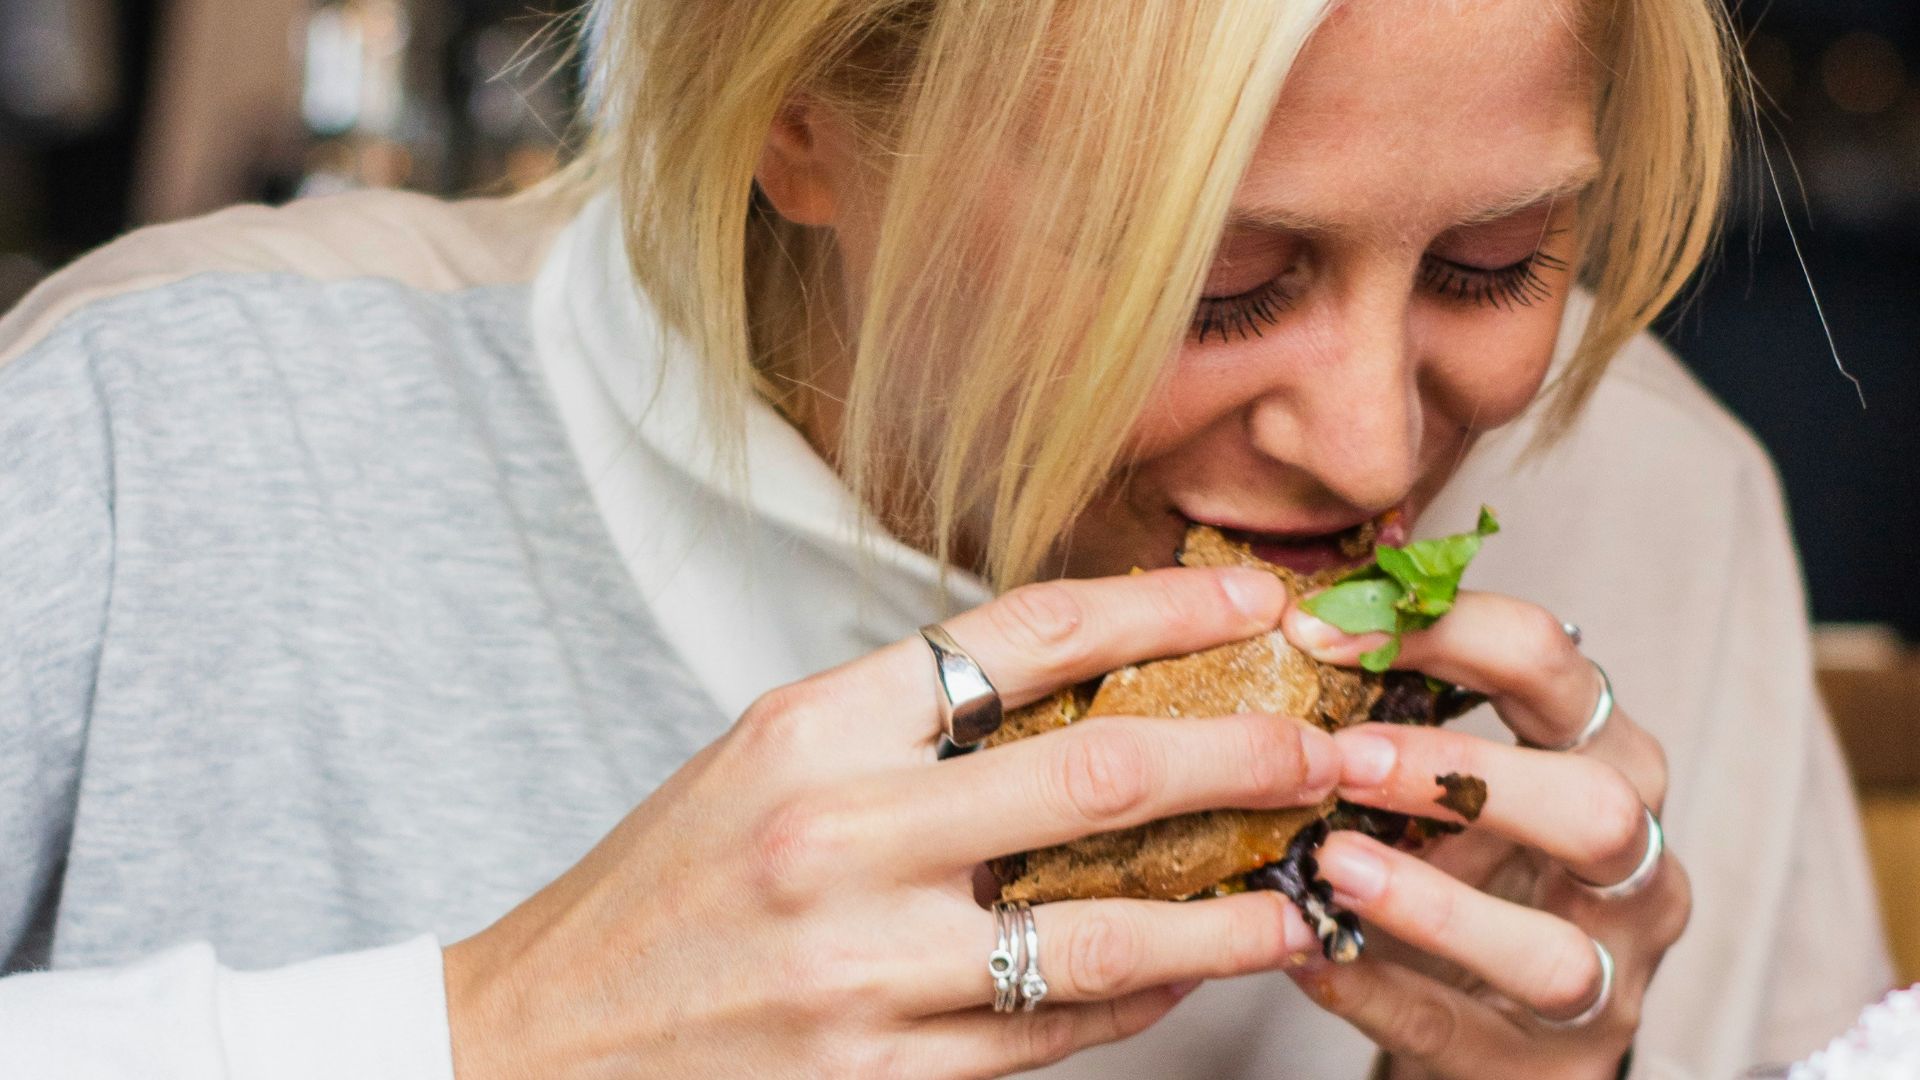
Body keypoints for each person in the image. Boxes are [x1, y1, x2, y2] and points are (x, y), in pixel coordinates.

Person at [0, 0, 1893, 1077]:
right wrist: (481, 1037)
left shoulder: (1660, 503)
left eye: (1500, 265)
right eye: (1217, 282)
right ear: (797, 117)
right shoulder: (166, 432)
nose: (1382, 443)